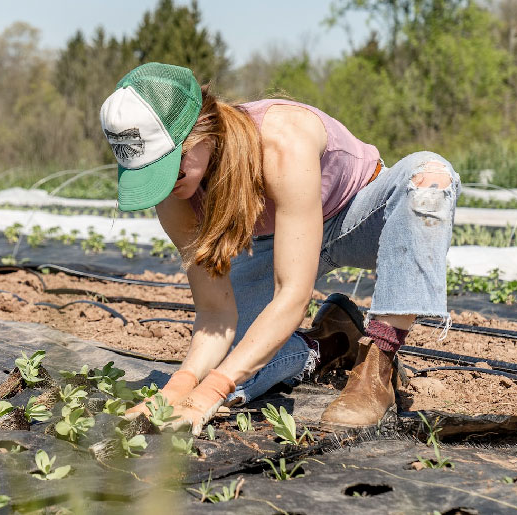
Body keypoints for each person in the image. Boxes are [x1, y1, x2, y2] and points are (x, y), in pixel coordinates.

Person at [100, 62, 460, 434]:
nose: (165, 185)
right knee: (233, 363)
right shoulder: (174, 194)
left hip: (359, 218)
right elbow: (215, 313)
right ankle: (329, 342)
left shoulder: (280, 140)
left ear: (201, 132)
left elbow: (292, 295)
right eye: (148, 175)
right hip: (278, 241)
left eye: (169, 168)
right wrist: (180, 387)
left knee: (429, 177)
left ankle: (378, 364)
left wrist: (211, 390)